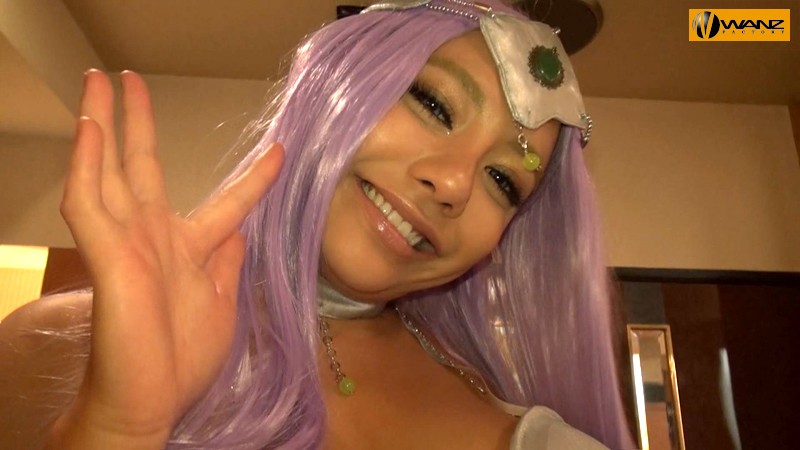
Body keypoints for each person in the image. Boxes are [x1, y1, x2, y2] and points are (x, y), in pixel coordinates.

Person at [0, 0, 637, 448]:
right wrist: (113, 429)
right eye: (434, 104)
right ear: (330, 93)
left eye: (504, 181)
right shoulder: (50, 348)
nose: (453, 184)